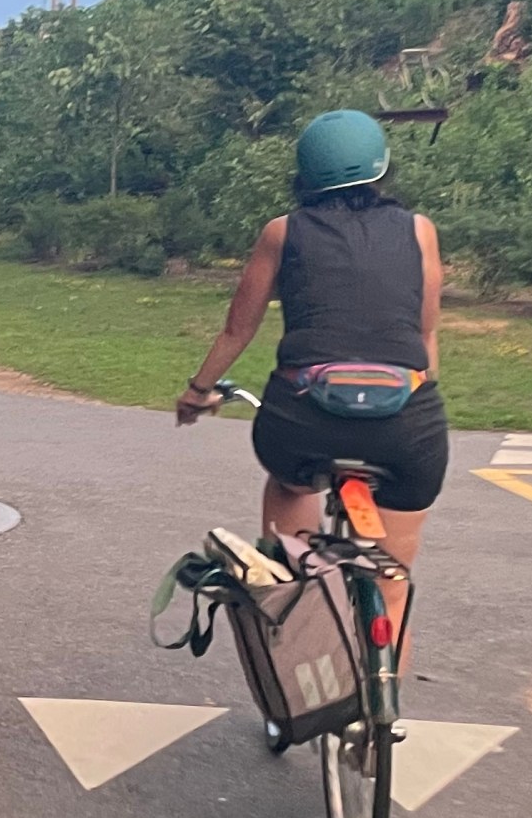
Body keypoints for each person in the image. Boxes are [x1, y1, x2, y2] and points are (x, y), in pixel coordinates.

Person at [173, 109, 448, 600]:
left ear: (304, 176)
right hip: (408, 426)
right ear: (382, 167)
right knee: (393, 585)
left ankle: (292, 594)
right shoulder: (419, 230)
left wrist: (197, 393)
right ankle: (384, 672)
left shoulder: (282, 232)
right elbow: (426, 339)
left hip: (304, 422)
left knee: (291, 485)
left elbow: (238, 330)